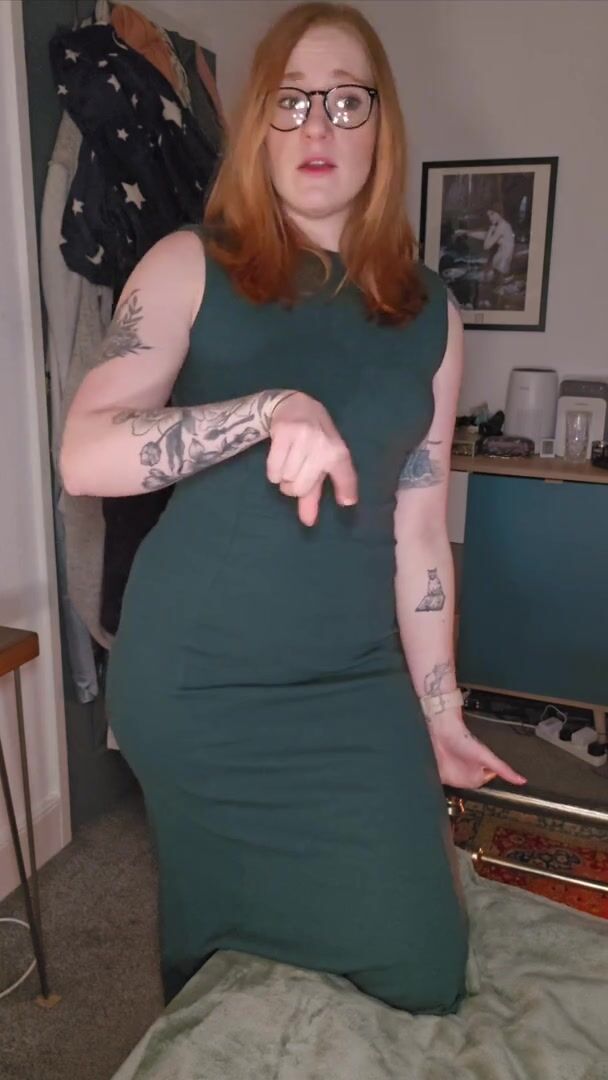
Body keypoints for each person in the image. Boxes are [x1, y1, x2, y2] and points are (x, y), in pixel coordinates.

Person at [61, 1, 527, 1014]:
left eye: (345, 101)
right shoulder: (189, 264)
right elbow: (84, 455)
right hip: (199, 681)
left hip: (355, 676)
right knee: (222, 963)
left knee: (418, 966)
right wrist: (264, 410)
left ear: (381, 124)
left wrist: (440, 708)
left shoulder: (432, 314)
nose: (317, 125)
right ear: (259, 125)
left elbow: (418, 525)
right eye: (290, 99)